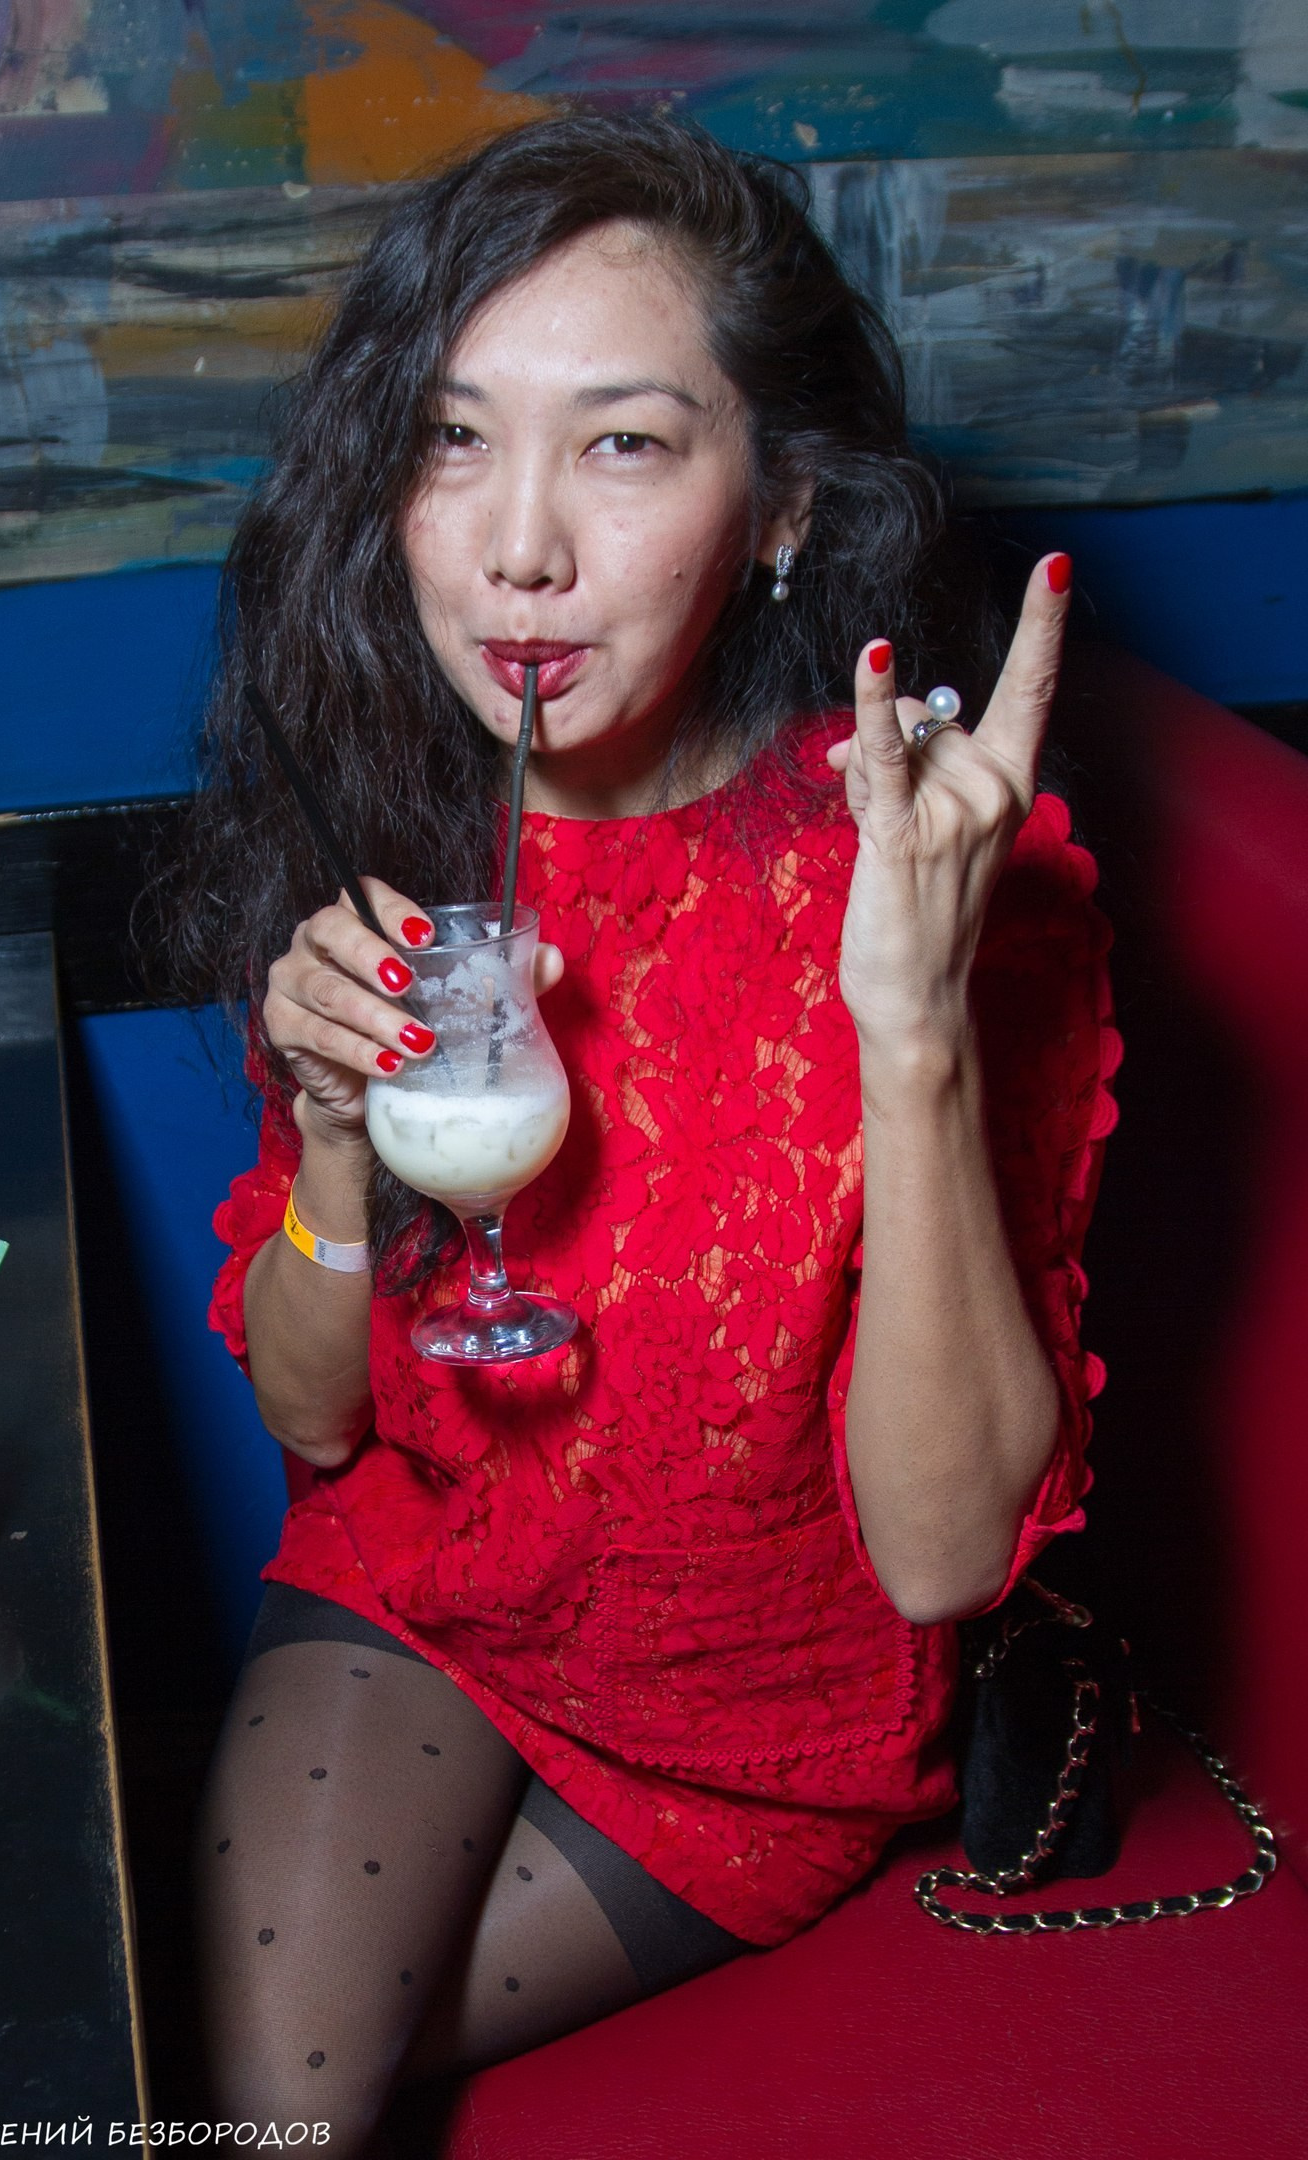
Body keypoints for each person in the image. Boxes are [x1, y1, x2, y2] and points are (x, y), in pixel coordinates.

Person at [174, 111, 1117, 2152]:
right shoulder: (394, 818)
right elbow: (319, 1423)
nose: (518, 546)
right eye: (452, 439)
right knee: (235, 2100)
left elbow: (944, 1556)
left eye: (621, 442)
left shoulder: (934, 875)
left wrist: (911, 1026)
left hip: (749, 1731)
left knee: (260, 2091)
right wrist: (331, 1137)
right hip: (430, 1593)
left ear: (779, 505)